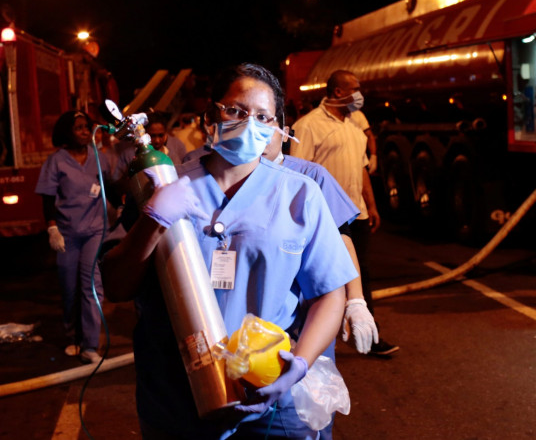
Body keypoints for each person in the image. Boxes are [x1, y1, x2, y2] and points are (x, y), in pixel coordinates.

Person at [102, 63, 356, 439]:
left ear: (276, 127)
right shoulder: (163, 186)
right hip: (176, 394)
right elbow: (116, 285)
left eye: (263, 117)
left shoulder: (300, 194)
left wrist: (300, 364)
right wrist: (153, 220)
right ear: (210, 117)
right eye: (235, 110)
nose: (249, 123)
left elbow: (329, 294)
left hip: (268, 392)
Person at [262, 110, 377, 440]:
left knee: (304, 419)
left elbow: (340, 239)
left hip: (303, 326)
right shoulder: (212, 177)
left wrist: (356, 301)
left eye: (265, 119)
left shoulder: (309, 178)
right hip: (244, 338)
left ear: (285, 131)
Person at [290, 69, 399, 358]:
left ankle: (368, 334)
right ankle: (314, 340)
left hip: (355, 213)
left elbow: (361, 169)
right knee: (321, 279)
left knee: (360, 274)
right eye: (355, 88)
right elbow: (296, 171)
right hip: (325, 218)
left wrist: (370, 205)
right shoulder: (308, 126)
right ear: (338, 92)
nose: (360, 94)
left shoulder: (355, 124)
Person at [35, 111, 111, 364]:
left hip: (94, 231)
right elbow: (47, 197)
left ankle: (90, 344)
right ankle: (73, 337)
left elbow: (110, 185)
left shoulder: (98, 158)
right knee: (70, 288)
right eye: (78, 128)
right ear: (67, 132)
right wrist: (52, 228)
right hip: (67, 232)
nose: (85, 132)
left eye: (87, 127)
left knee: (91, 286)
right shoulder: (56, 162)